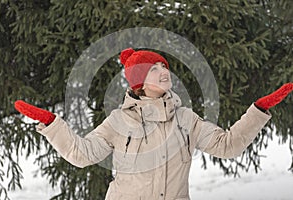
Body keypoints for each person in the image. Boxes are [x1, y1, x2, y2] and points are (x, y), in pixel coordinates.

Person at [15, 48, 293, 200]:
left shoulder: (186, 119)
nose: (164, 72)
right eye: (154, 69)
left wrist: (258, 110)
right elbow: (82, 154)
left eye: (164, 67)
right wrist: (52, 124)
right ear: (139, 82)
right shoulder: (119, 121)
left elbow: (228, 146)